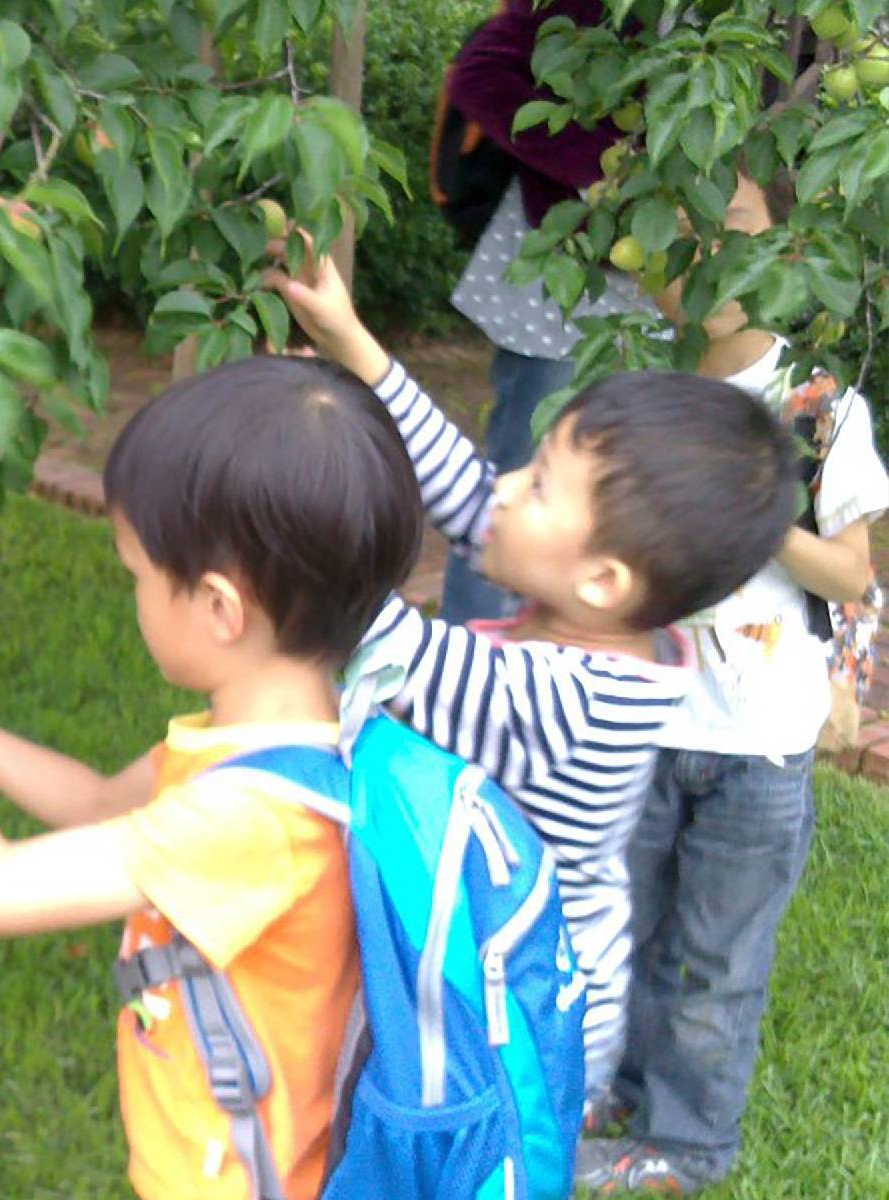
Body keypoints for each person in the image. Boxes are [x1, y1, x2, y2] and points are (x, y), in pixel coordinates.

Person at [0, 355, 426, 1199]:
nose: (132, 595)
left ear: (220, 609)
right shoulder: (282, 747)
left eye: (137, 576)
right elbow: (97, 802)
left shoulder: (254, 823)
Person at [267, 242, 800, 1116]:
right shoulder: (610, 627)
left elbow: (371, 627)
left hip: (516, 1028)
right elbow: (467, 496)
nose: (505, 487)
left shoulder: (564, 701)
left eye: (540, 483)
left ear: (601, 581)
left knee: (466, 1161)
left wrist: (283, 479)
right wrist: (353, 344)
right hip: (507, 980)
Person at [573, 176, 889, 1196]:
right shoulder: (642, 398)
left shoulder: (813, 407)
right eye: (683, 231)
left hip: (758, 743)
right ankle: (613, 1095)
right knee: (626, 922)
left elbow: (851, 573)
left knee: (715, 959)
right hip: (644, 720)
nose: (708, 255)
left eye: (738, 230)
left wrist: (751, 518)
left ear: (783, 252)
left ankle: (690, 1142)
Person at [442, 0, 657, 623]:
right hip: (568, 277)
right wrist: (597, 174)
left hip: (671, 284)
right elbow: (479, 72)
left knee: (630, 486)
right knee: (524, 476)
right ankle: (471, 672)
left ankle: (574, 655)